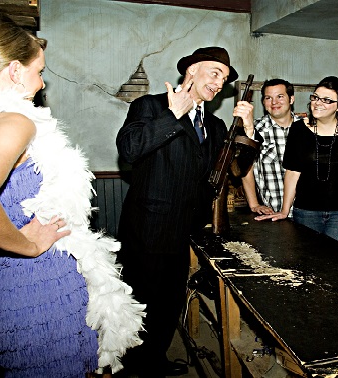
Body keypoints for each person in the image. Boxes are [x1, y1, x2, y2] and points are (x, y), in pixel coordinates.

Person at [0, 3, 144, 376]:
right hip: (35, 280)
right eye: (38, 72)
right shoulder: (13, 123)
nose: (42, 83)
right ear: (13, 71)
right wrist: (30, 244)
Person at [115, 46, 248, 376]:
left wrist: (247, 131)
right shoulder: (151, 106)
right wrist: (172, 115)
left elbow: (236, 170)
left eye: (225, 78)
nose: (220, 83)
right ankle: (131, 367)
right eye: (214, 73)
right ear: (191, 71)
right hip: (147, 229)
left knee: (168, 303)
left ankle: (154, 361)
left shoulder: (215, 125)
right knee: (139, 303)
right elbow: (129, 149)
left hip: (185, 231)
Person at [255, 76, 338, 242]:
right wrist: (284, 210)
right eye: (315, 97)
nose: (318, 103)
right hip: (306, 211)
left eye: (326, 100)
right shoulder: (298, 129)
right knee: (307, 261)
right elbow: (292, 172)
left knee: (334, 262)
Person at [239, 78, 302, 215]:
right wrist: (254, 204)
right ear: (263, 102)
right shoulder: (254, 130)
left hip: (307, 213)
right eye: (268, 98)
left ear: (291, 99)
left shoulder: (306, 129)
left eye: (280, 96)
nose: (274, 102)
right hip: (273, 214)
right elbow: (246, 169)